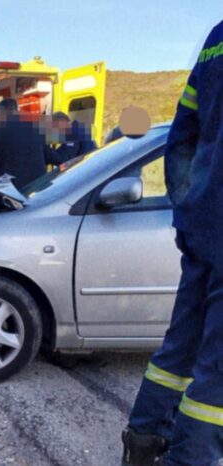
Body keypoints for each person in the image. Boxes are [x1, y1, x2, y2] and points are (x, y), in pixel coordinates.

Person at [122, 20, 223, 466]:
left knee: (178, 351)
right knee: (216, 381)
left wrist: (188, 210)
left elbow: (181, 136)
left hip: (204, 226)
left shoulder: (216, 39)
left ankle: (143, 444)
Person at [0, 98, 47, 190]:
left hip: (12, 190)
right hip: (39, 186)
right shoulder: (36, 128)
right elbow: (48, 154)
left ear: (1, 111)